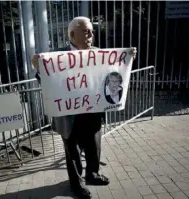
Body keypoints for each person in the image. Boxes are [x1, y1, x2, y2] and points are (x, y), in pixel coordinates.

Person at [32, 16, 137, 199]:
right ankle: (77, 184)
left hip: (92, 113)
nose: (91, 35)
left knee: (94, 147)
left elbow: (113, 73)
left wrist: (127, 59)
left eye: (92, 32)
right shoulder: (57, 55)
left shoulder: (99, 53)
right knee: (72, 152)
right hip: (68, 115)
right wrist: (39, 69)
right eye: (87, 31)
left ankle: (93, 174)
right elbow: (47, 82)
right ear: (73, 34)